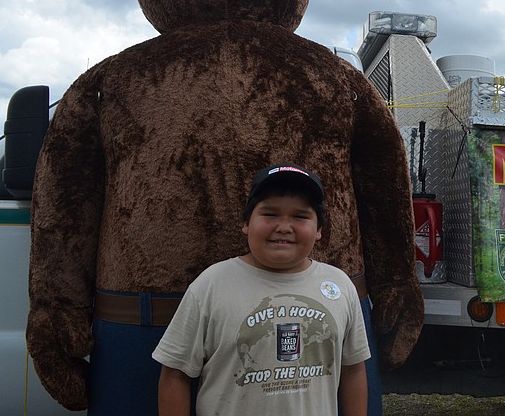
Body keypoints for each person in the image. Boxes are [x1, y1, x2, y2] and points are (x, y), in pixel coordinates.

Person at [152, 163, 369, 416]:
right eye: (270, 214)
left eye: (300, 216)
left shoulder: (340, 285)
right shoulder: (210, 285)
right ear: (246, 222)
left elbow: (353, 370)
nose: (284, 227)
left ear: (319, 229)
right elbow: (175, 374)